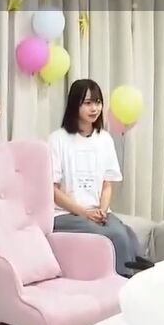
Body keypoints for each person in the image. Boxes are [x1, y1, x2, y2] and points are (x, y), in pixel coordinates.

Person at [48, 79, 152, 276]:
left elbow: (106, 184)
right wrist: (84, 212)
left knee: (128, 234)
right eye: (87, 103)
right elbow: (52, 190)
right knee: (114, 235)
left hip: (97, 212)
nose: (94, 108)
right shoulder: (57, 139)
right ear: (75, 105)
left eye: (97, 102)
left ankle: (136, 277)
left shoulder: (104, 139)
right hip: (65, 214)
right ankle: (123, 279)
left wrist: (102, 210)